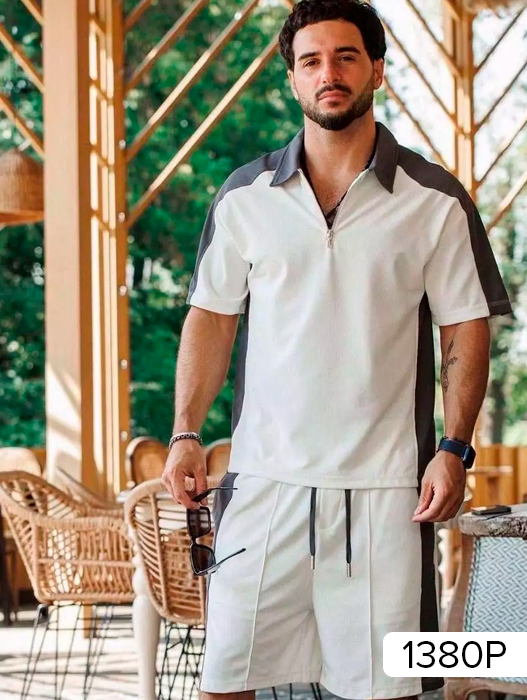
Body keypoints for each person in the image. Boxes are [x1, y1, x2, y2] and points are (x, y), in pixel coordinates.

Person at [162, 0, 512, 698]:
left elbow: (464, 327)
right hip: (260, 484)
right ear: (292, 78)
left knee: (385, 688)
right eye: (311, 61)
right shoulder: (243, 197)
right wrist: (184, 432)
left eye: (346, 57)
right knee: (224, 682)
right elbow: (211, 319)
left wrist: (453, 446)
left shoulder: (435, 200)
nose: (329, 73)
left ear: (376, 70)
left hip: (385, 492)